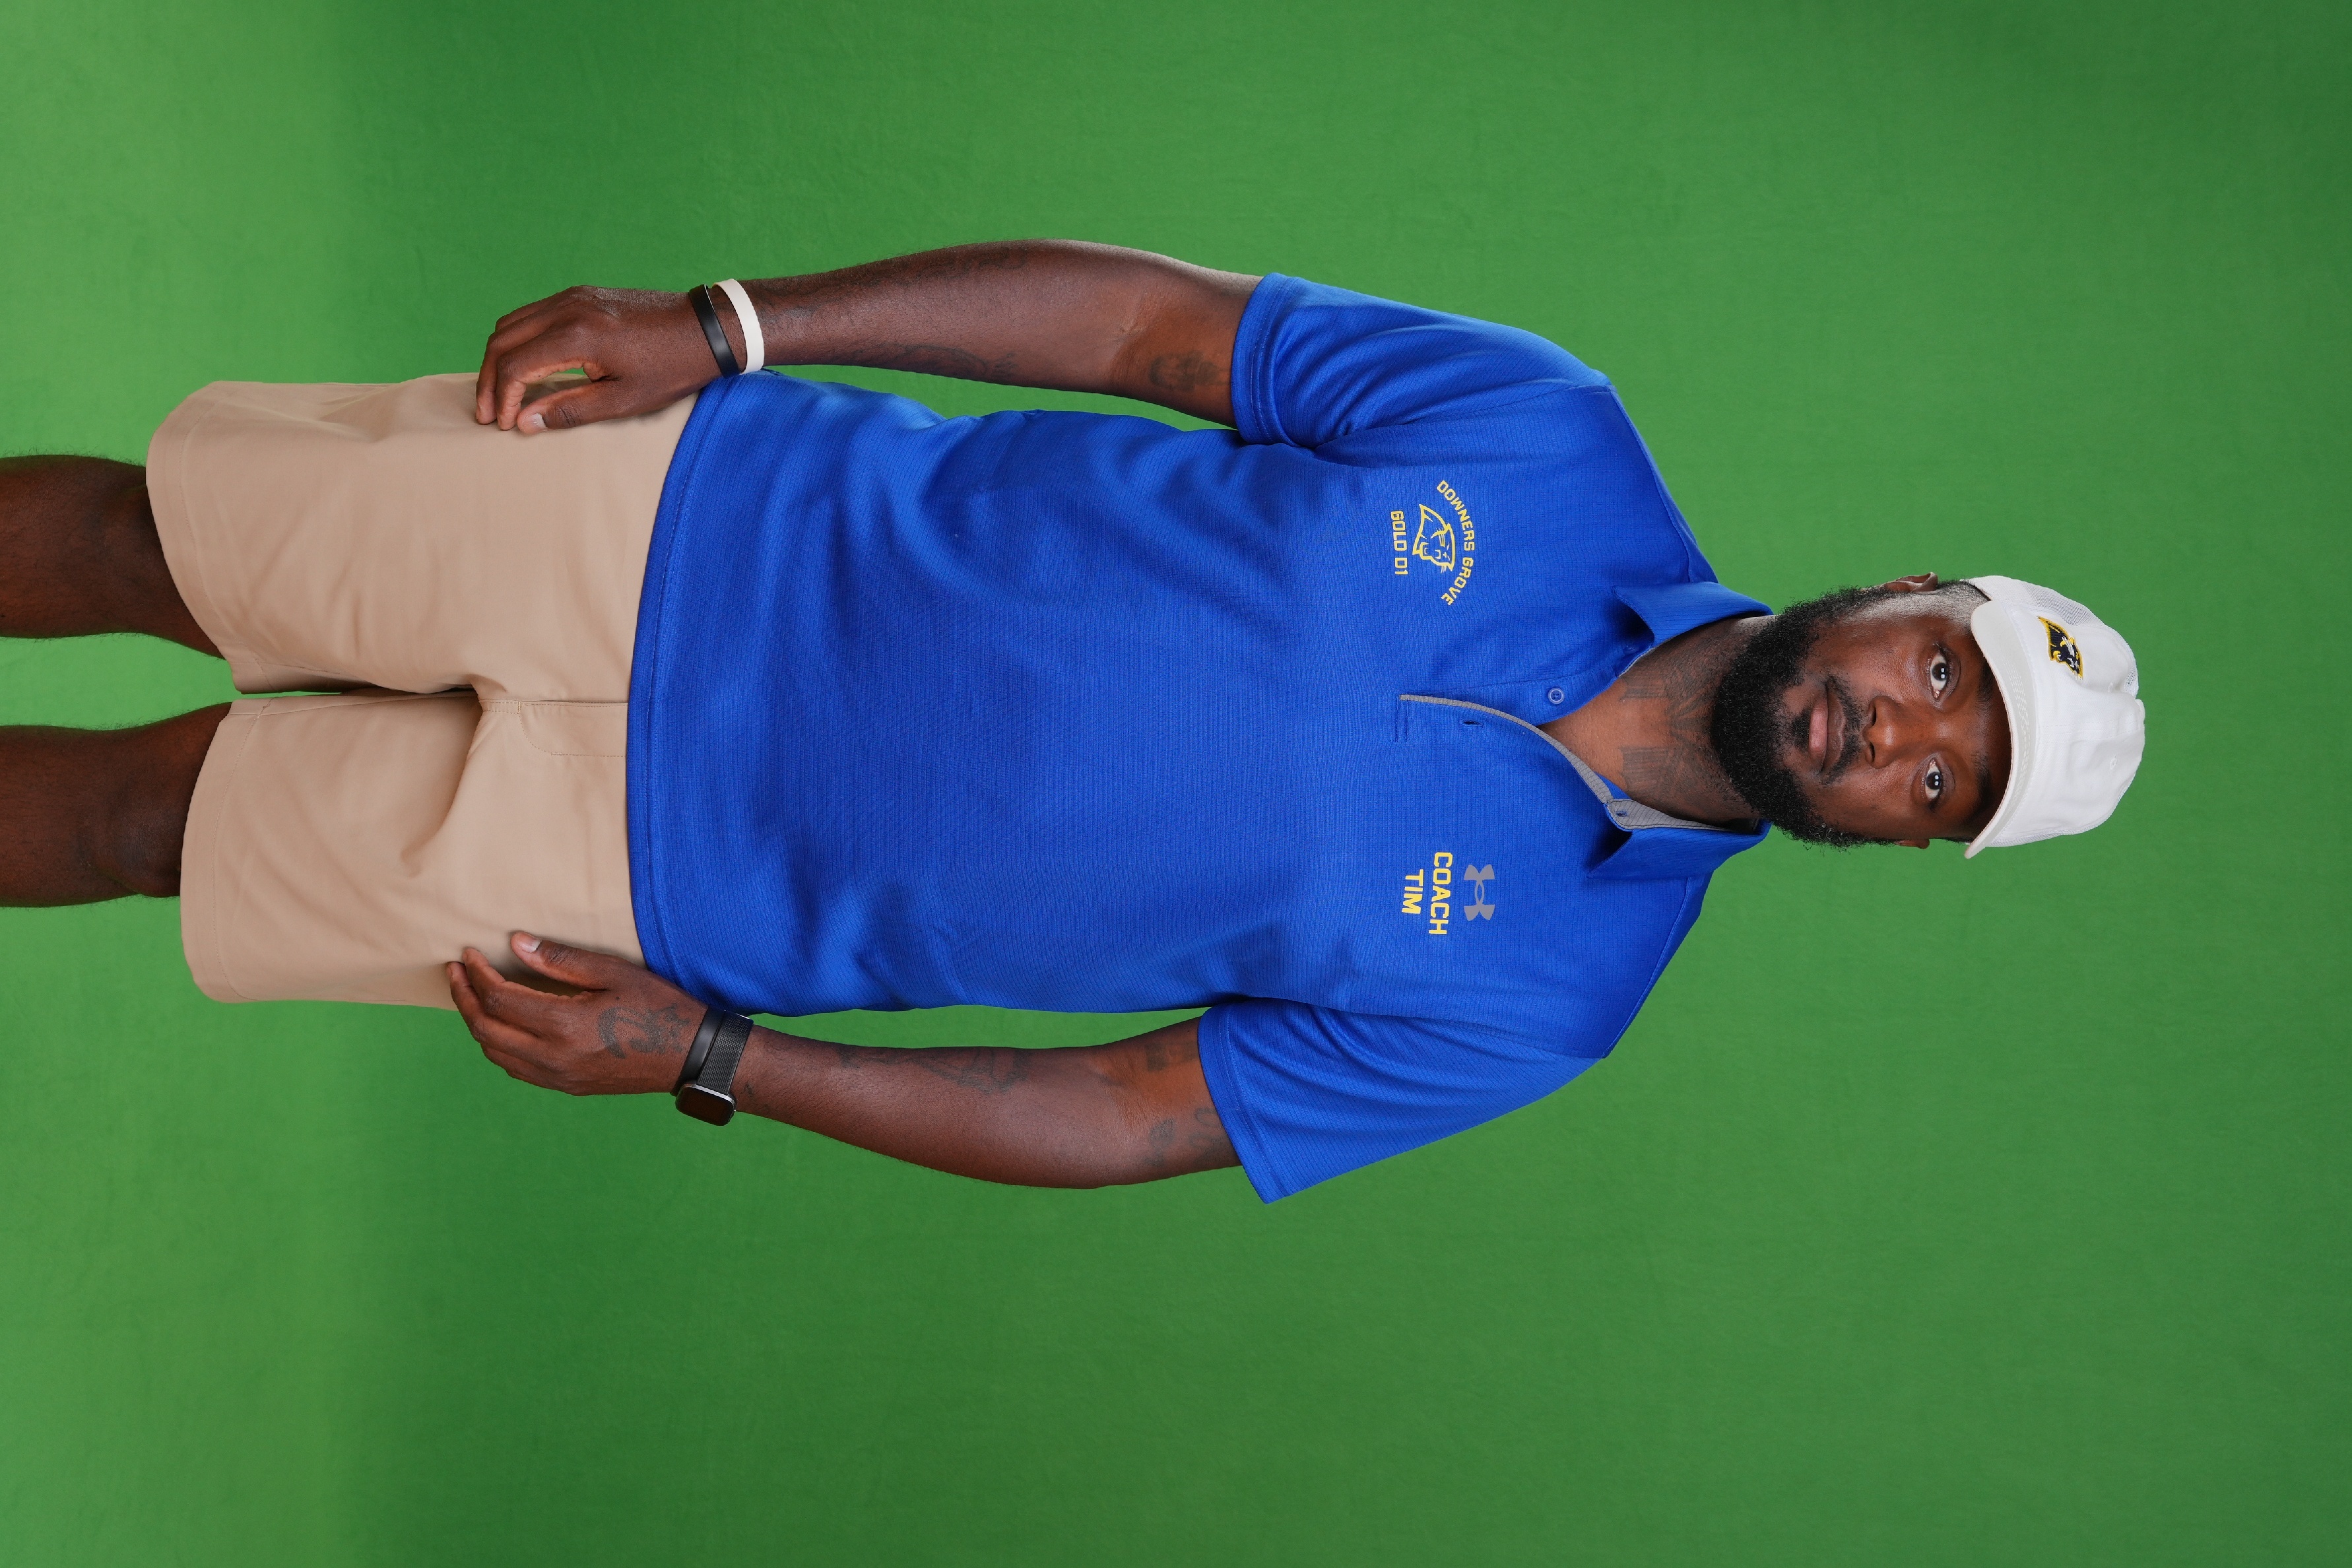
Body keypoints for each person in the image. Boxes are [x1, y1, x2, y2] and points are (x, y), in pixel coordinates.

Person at [0, 241, 2146, 1199]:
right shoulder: (1544, 435)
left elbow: (1121, 1116)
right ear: (1902, 591)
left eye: (1940, 785)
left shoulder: (1543, 998)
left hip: (655, 879)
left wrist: (717, 1055)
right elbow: (1140, 329)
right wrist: (735, 329)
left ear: (1906, 849)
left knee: (148, 830)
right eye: (1938, 671)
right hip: (678, 514)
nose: (1896, 734)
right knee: (142, 541)